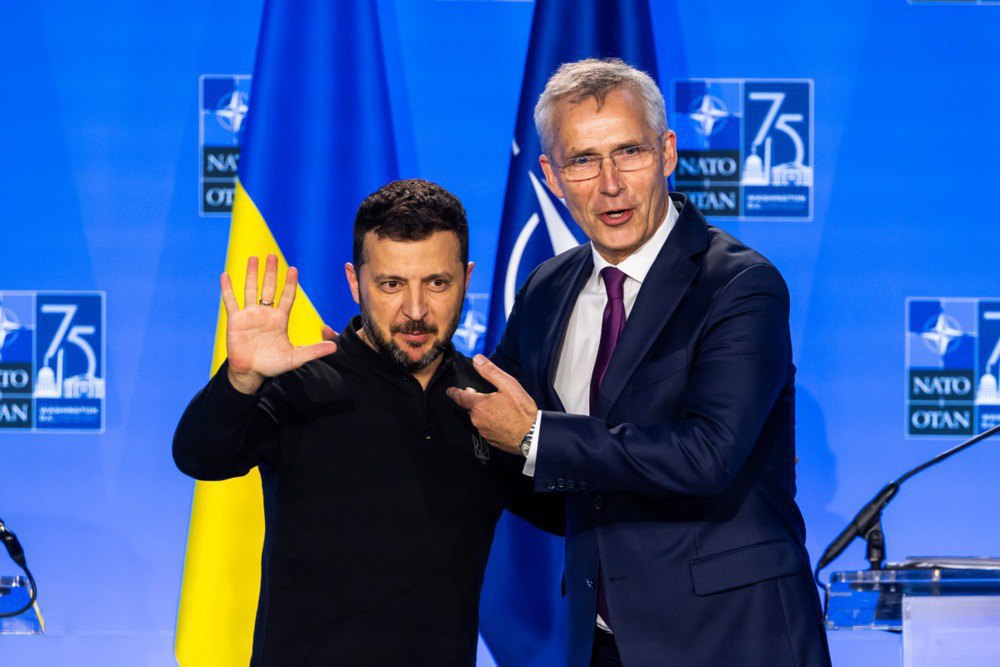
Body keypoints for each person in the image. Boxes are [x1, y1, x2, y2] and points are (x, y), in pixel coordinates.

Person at [448, 59, 831, 666]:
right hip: (601, 640)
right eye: (582, 160)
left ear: (668, 152)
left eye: (629, 152)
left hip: (733, 637)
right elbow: (499, 434)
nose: (610, 184)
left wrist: (535, 435)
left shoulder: (740, 286)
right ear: (550, 175)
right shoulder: (547, 287)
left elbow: (706, 455)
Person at [173, 179, 560, 666]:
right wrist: (241, 378)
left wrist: (534, 438)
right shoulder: (304, 383)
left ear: (466, 278)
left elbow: (568, 517)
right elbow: (201, 455)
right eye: (391, 284)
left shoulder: (488, 404)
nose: (415, 312)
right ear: (356, 282)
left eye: (437, 283)